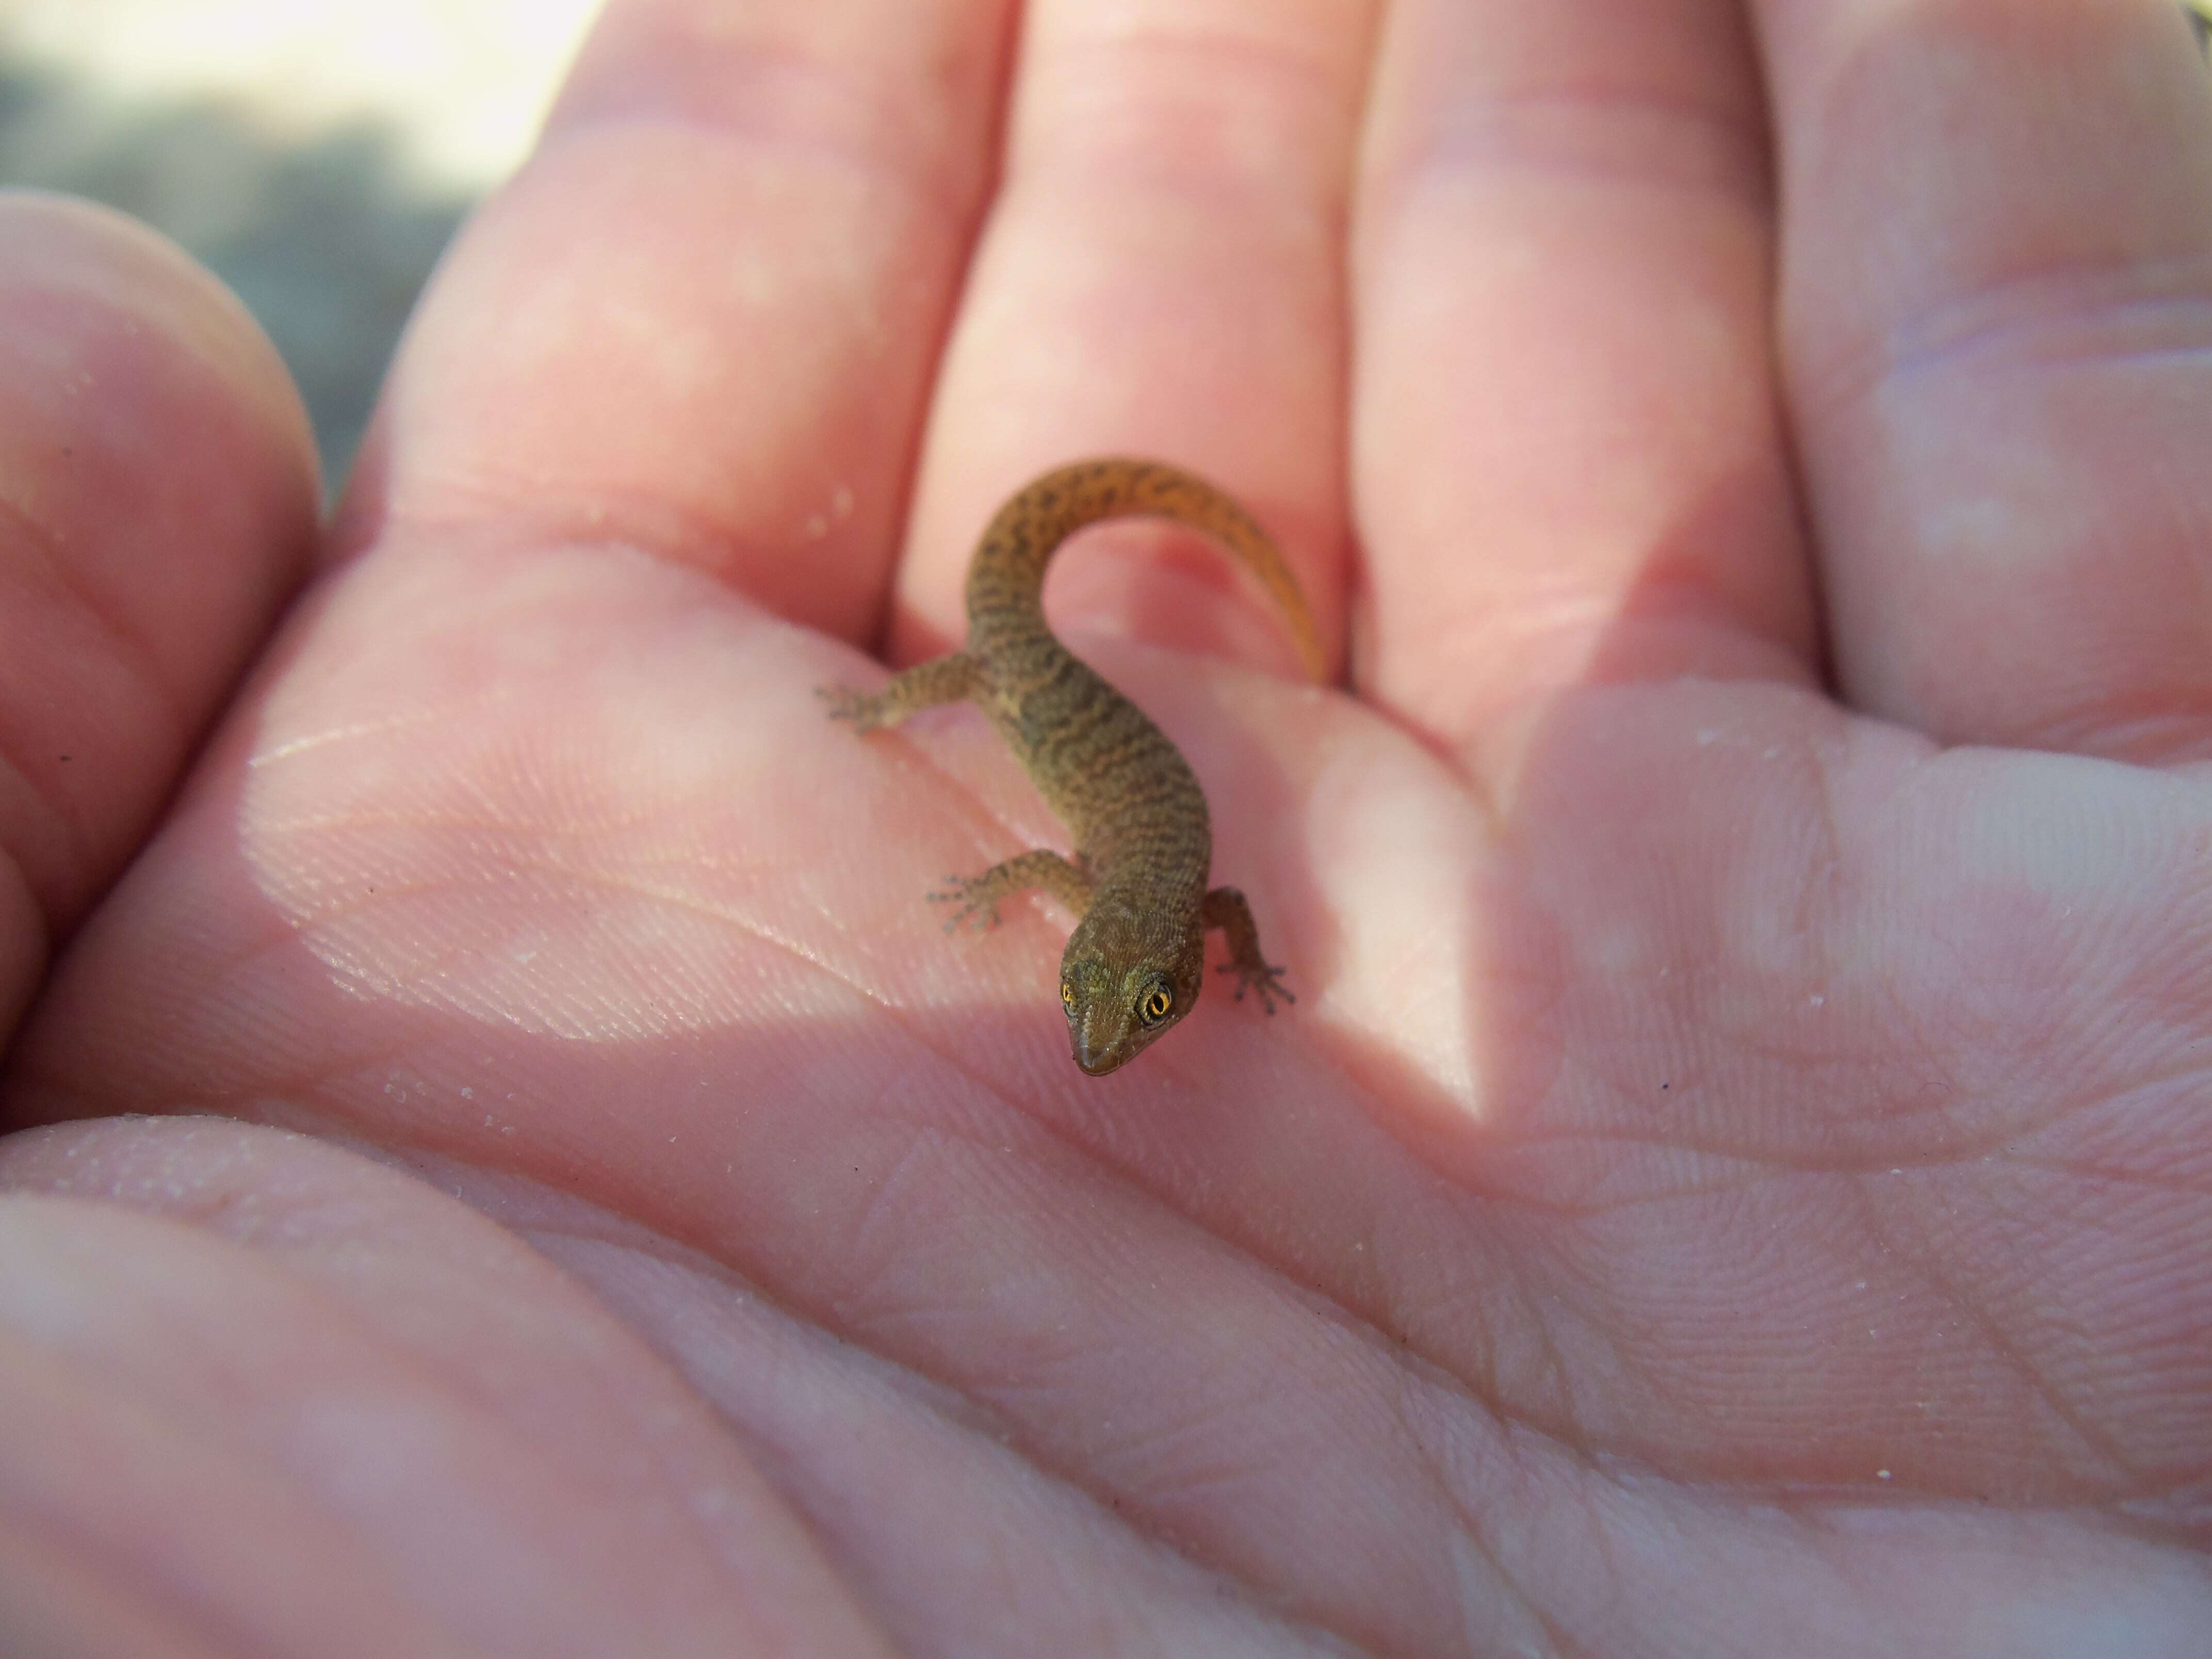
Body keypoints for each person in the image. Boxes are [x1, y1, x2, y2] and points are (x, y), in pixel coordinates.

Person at [3, 2, 2208, 1651]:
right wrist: (955, 760)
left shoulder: (1158, 906)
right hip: (1036, 674)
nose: (1107, 1021)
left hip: (1088, 712)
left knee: (1051, 641)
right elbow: (1143, 873)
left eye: (1126, 997)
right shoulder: (1097, 876)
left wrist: (1222, 958)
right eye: (1116, 994)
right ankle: (969, 648)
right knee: (1000, 627)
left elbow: (1200, 884)